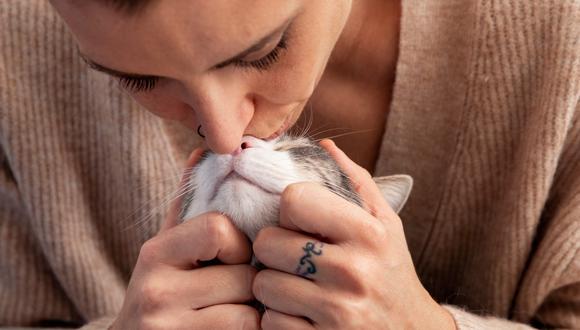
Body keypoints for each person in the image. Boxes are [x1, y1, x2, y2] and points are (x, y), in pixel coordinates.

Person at [0, 0, 578, 328]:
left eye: (263, 50)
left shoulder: (562, 35)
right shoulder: (13, 42)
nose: (225, 137)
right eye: (138, 80)